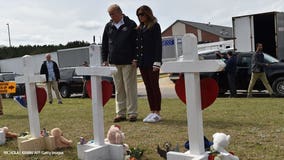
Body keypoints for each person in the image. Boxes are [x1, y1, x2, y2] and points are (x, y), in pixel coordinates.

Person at [102, 4, 138, 122]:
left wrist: (135, 57)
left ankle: (132, 113)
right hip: (114, 62)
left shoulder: (131, 24)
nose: (111, 17)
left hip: (128, 61)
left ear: (119, 12)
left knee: (130, 87)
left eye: (112, 14)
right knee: (118, 89)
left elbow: (136, 43)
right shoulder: (108, 26)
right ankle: (120, 113)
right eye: (110, 15)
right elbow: (105, 44)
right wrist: (104, 59)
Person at [135, 5, 162, 123]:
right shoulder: (140, 28)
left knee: (154, 86)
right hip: (143, 62)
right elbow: (138, 47)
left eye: (142, 14)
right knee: (148, 87)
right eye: (138, 15)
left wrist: (157, 61)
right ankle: (152, 111)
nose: (140, 17)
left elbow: (158, 44)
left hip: (152, 62)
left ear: (148, 14)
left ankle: (157, 112)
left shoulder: (155, 26)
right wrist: (136, 59)